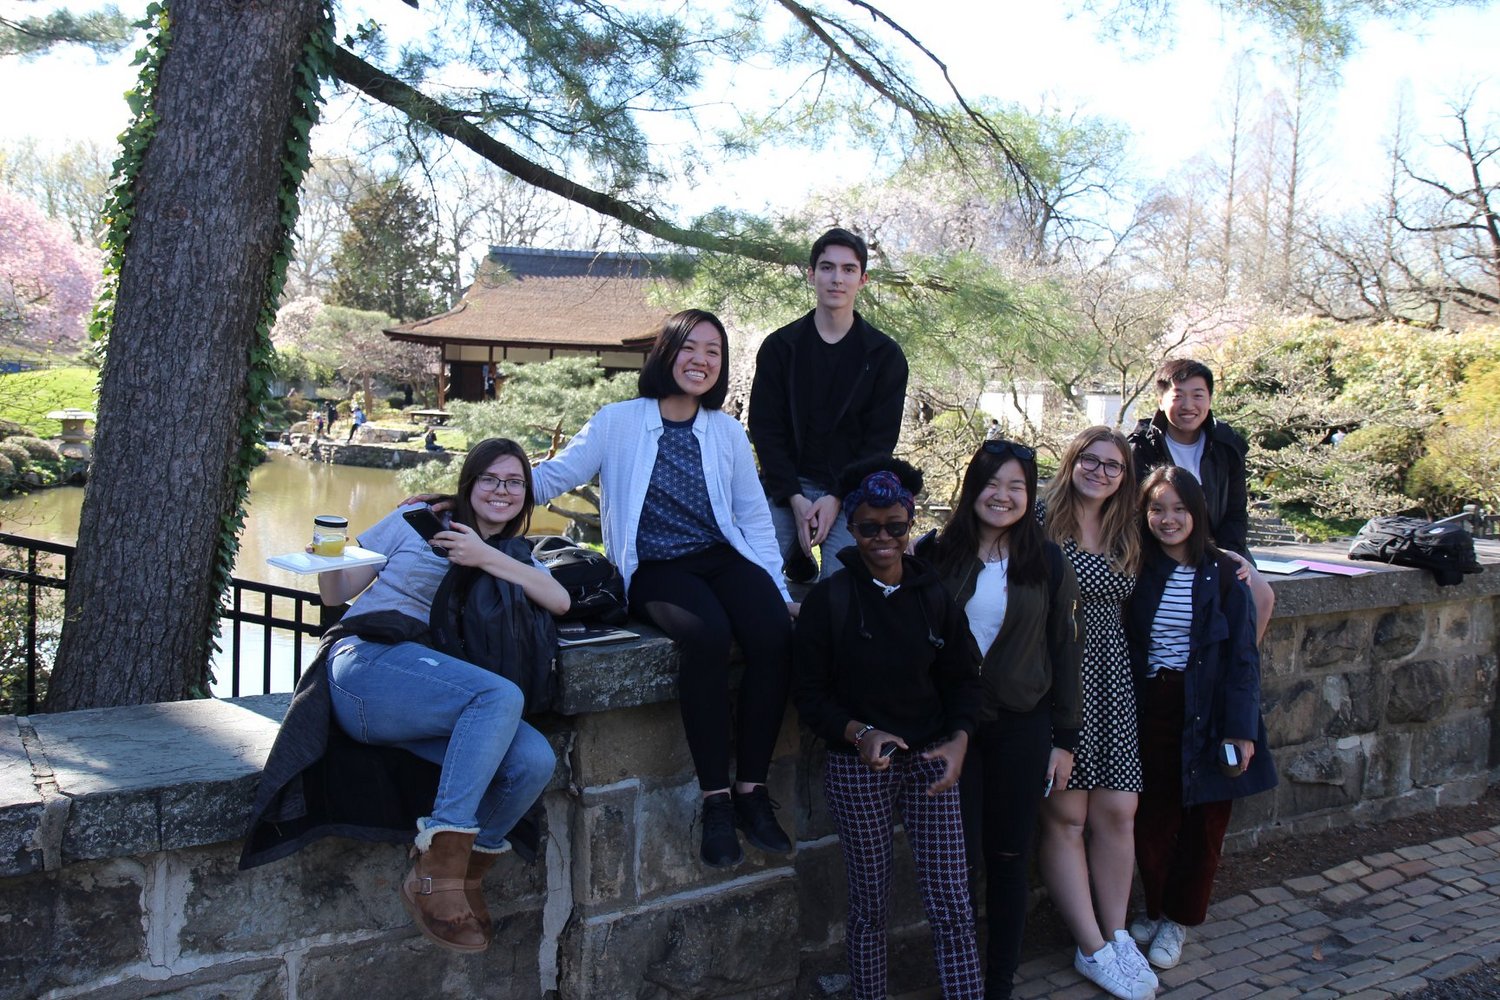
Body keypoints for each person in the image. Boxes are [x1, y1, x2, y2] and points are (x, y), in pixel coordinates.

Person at [246, 438, 570, 954]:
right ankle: (439, 870)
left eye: (514, 482)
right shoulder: (417, 523)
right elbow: (338, 594)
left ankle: (464, 875)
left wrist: (483, 556)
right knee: (498, 696)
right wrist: (326, 558)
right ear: (470, 483)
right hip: (368, 665)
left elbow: (559, 599)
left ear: (526, 494)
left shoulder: (515, 553)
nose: (501, 491)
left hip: (438, 693)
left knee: (533, 759)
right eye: (490, 479)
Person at [530, 308, 796, 868]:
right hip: (656, 567)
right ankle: (715, 801)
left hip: (722, 558)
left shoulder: (725, 431)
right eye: (690, 348)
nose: (701, 361)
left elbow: (752, 519)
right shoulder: (619, 421)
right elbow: (559, 474)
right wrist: (486, 485)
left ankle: (751, 790)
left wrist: (776, 587)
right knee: (707, 636)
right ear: (666, 354)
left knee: (773, 633)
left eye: (714, 353)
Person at [793, 458, 984, 1000]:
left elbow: (964, 679)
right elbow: (810, 697)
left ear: (910, 525)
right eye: (869, 527)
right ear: (851, 531)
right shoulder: (829, 603)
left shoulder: (934, 597)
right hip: (859, 769)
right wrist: (860, 733)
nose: (883, 538)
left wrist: (960, 741)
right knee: (869, 902)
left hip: (930, 762)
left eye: (896, 527)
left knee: (952, 902)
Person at [915, 439, 1083, 999]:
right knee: (955, 862)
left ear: (1030, 495)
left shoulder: (1049, 563)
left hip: (1022, 726)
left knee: (1009, 857)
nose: (1003, 496)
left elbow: (1064, 650)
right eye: (992, 483)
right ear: (973, 487)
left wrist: (1064, 739)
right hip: (951, 729)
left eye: (1017, 486)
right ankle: (958, 979)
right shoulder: (935, 553)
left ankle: (999, 982)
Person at [1126, 466, 1277, 971]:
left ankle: (1179, 918)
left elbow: (1242, 657)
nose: (1168, 520)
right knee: (1150, 817)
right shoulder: (1138, 565)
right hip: (1150, 709)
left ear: (1198, 511)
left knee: (1204, 823)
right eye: (1157, 509)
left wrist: (1241, 729)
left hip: (1207, 712)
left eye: (1179, 508)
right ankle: (1154, 907)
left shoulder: (1224, 574)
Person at [1035, 427, 1156, 1000]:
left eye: (1113, 466)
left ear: (1125, 476)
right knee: (1068, 817)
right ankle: (1091, 947)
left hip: (1113, 682)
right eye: (1091, 460)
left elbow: (1194, 539)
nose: (1100, 472)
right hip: (1058, 678)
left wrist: (1243, 566)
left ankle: (1118, 934)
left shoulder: (1128, 528)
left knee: (1118, 812)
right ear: (1072, 461)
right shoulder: (1041, 521)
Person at [749, 227, 909, 584]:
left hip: (851, 489)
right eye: (827, 267)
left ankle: (805, 564)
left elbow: (880, 442)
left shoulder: (885, 356)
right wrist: (794, 497)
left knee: (841, 590)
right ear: (811, 274)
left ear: (862, 279)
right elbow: (765, 429)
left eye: (848, 269)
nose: (837, 278)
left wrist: (837, 495)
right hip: (787, 486)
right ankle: (796, 559)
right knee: (755, 578)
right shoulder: (781, 347)